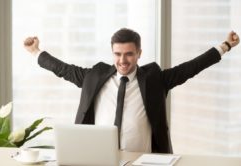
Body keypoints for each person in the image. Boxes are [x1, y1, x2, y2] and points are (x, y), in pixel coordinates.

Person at [24, 28, 239, 153]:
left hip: (143, 160)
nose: (122, 60)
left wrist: (224, 46)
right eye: (117, 54)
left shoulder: (155, 80)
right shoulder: (95, 77)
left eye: (129, 54)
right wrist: (35, 52)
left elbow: (190, 68)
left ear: (139, 53)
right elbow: (63, 69)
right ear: (112, 53)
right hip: (101, 160)